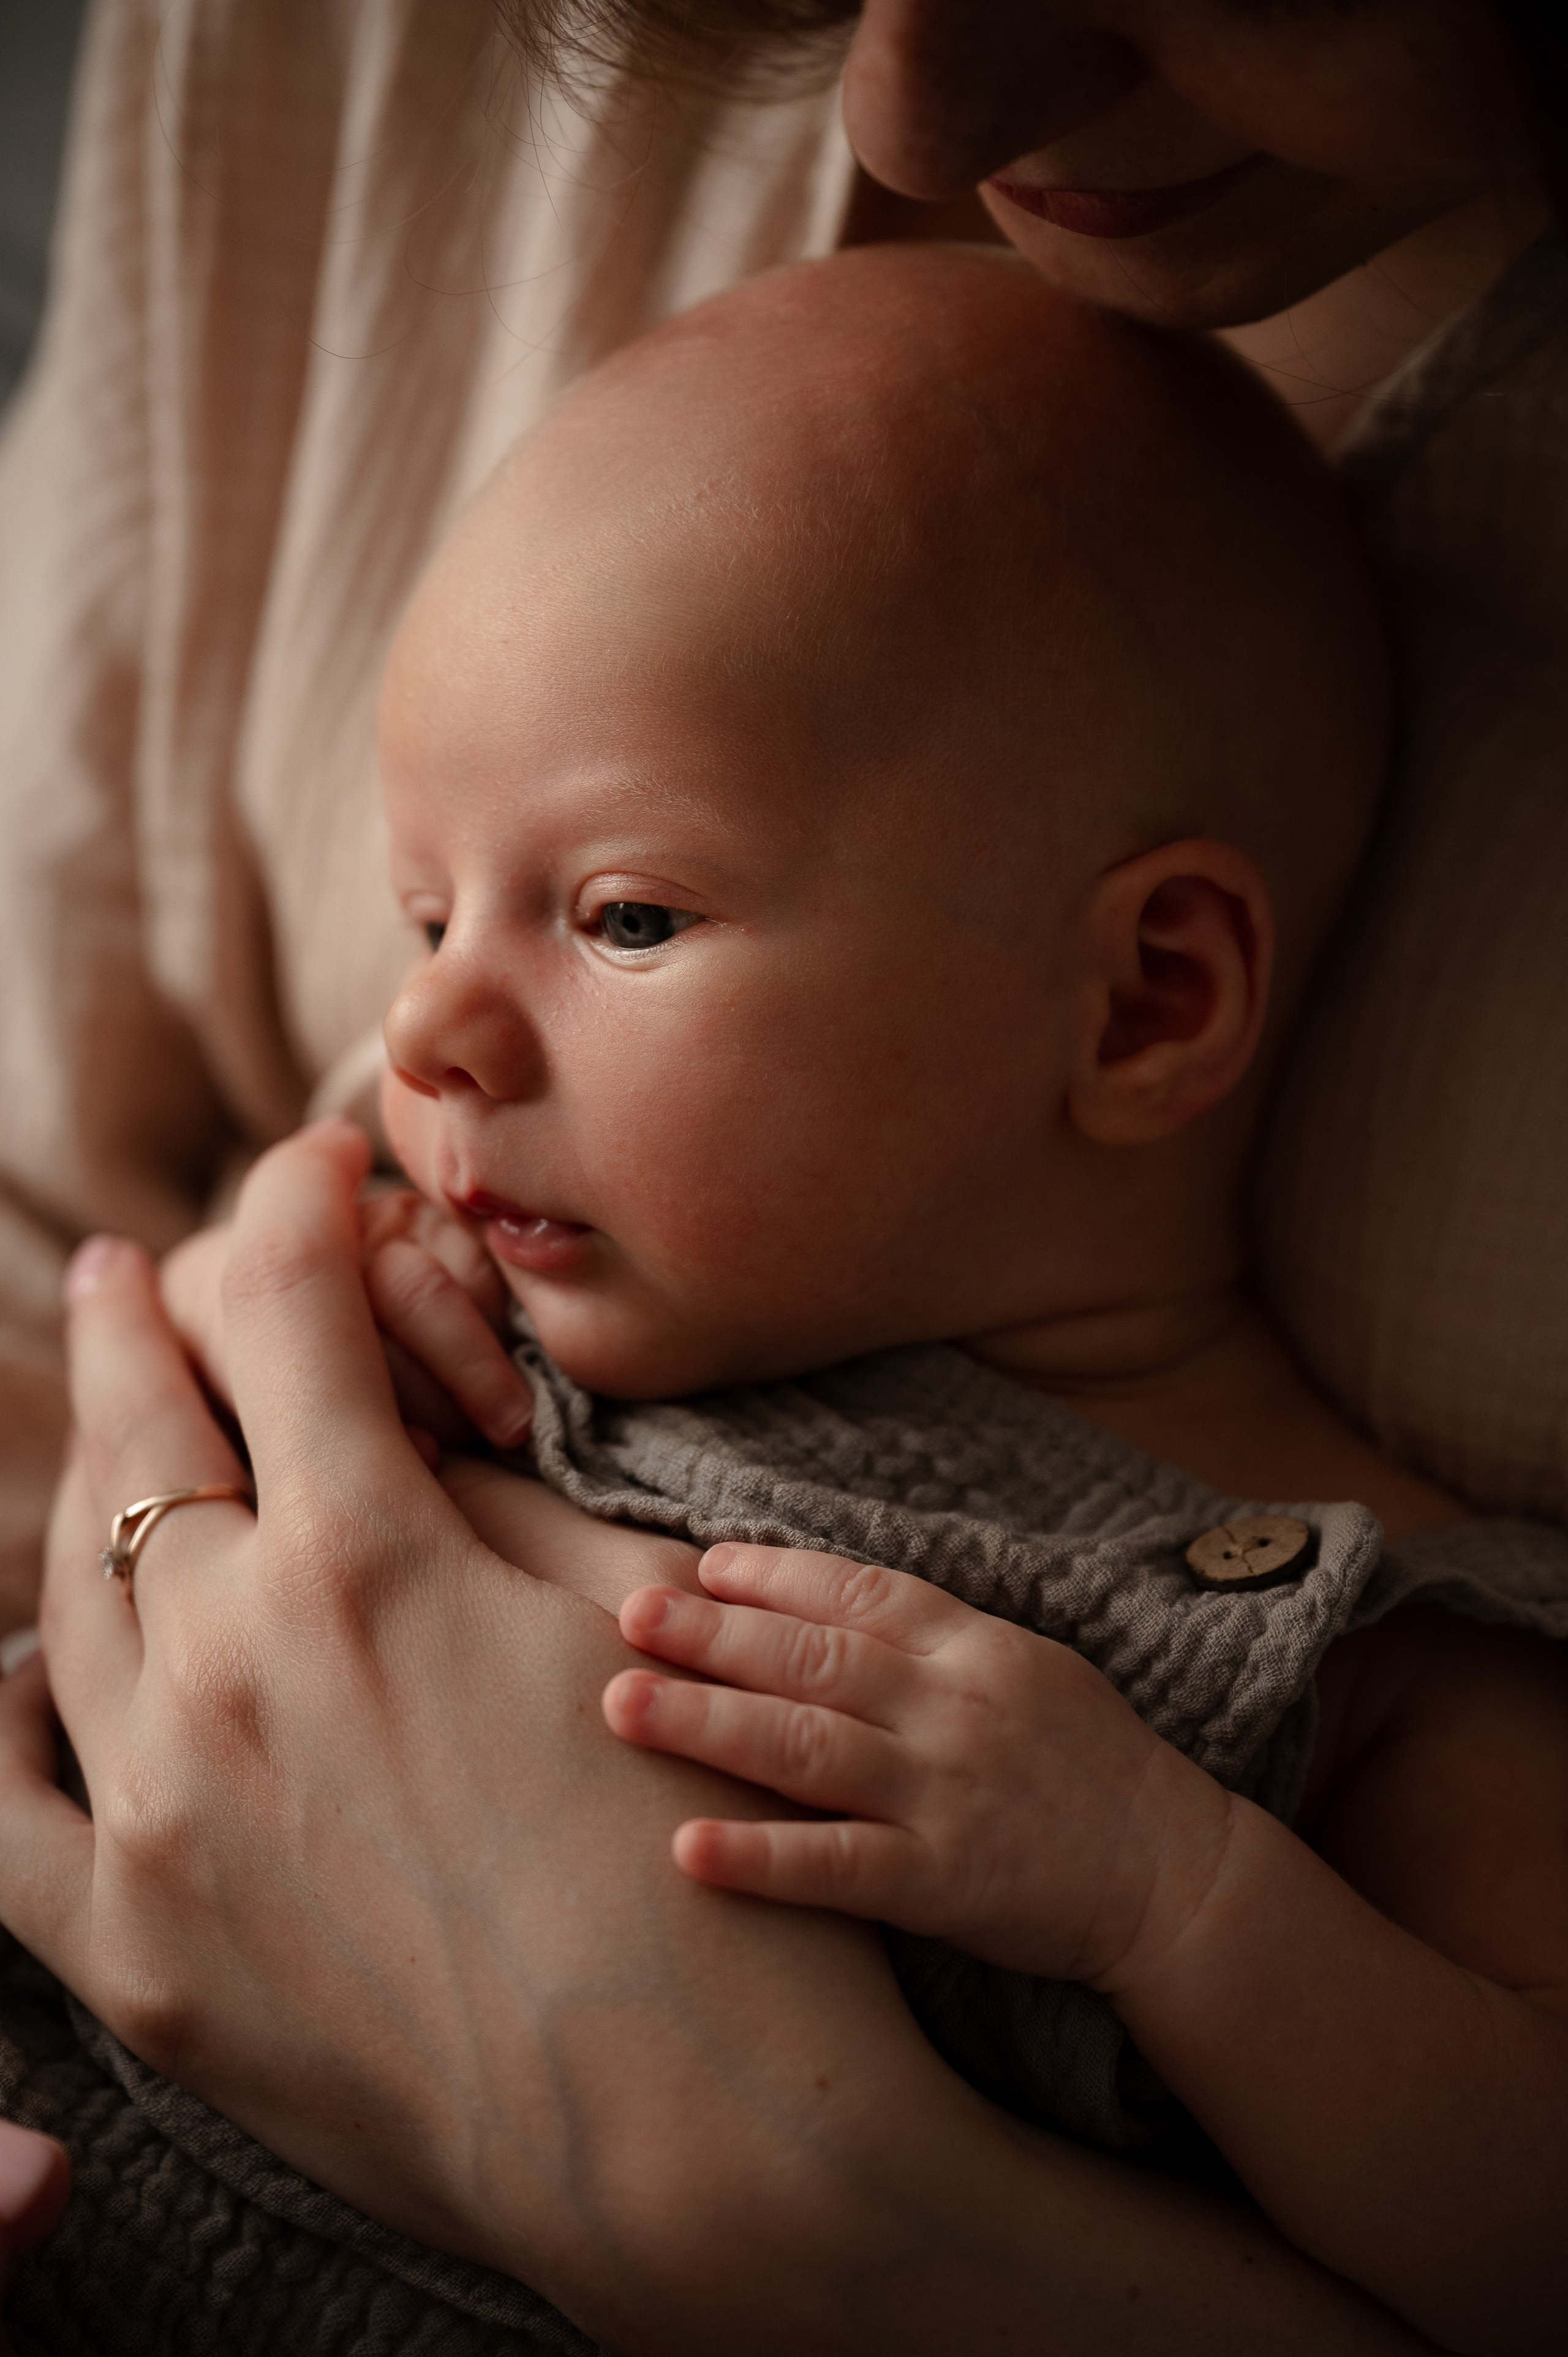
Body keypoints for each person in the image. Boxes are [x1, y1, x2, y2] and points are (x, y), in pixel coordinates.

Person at [0, 0, 1563, 2348]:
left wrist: (1177, 1899)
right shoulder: (459, 1324)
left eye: (623, 917)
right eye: (424, 919)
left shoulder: (1380, 1659)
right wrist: (305, 1355)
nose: (423, 1036)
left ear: (1144, 1003)